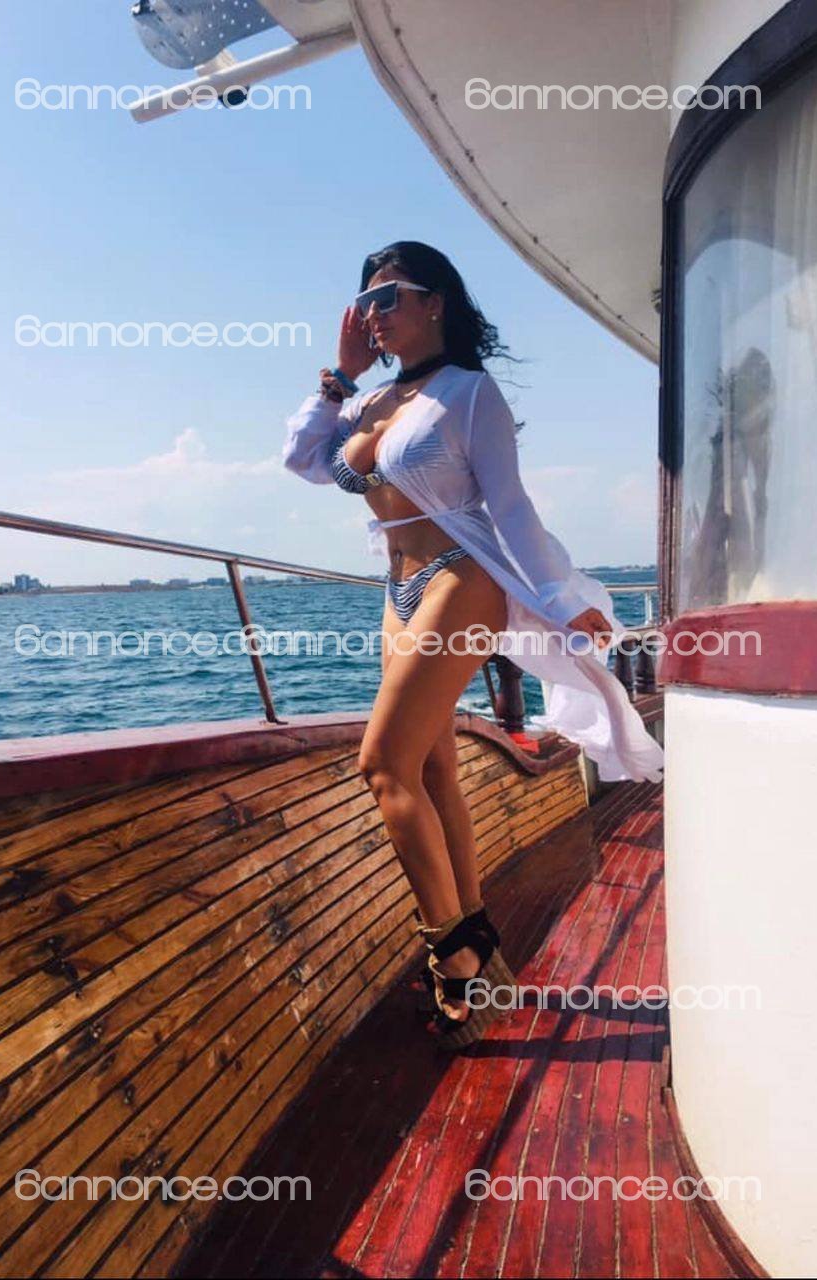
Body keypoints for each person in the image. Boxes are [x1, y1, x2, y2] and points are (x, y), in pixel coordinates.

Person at [283, 241, 664, 1049]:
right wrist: (340, 377)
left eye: (389, 297)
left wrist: (561, 602)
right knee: (431, 768)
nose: (373, 314)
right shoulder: (369, 401)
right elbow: (304, 461)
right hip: (398, 589)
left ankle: (451, 953)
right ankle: (479, 934)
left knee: (382, 764)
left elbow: (511, 506)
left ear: (435, 303)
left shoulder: (468, 392)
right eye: (364, 301)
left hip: (461, 578)